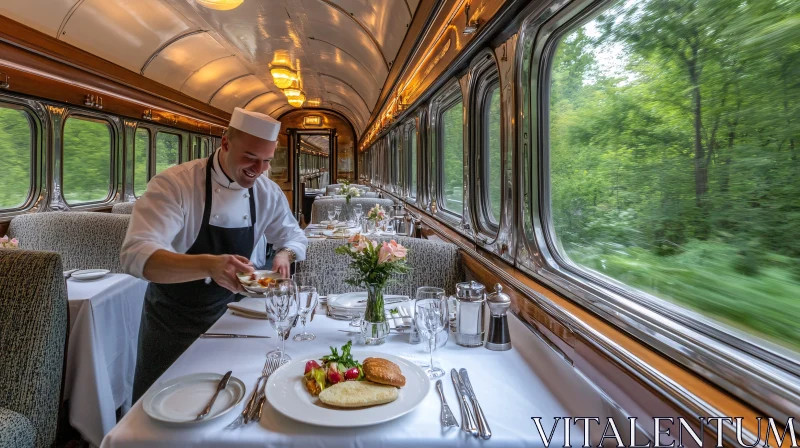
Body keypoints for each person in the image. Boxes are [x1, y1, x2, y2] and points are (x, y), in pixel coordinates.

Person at [121, 107, 307, 402]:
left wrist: (284, 254)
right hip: (173, 321)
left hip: (235, 317)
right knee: (157, 411)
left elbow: (293, 236)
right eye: (250, 158)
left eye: (266, 162)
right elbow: (136, 254)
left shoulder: (266, 192)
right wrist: (209, 265)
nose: (257, 170)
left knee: (224, 400)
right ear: (225, 143)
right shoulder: (176, 184)